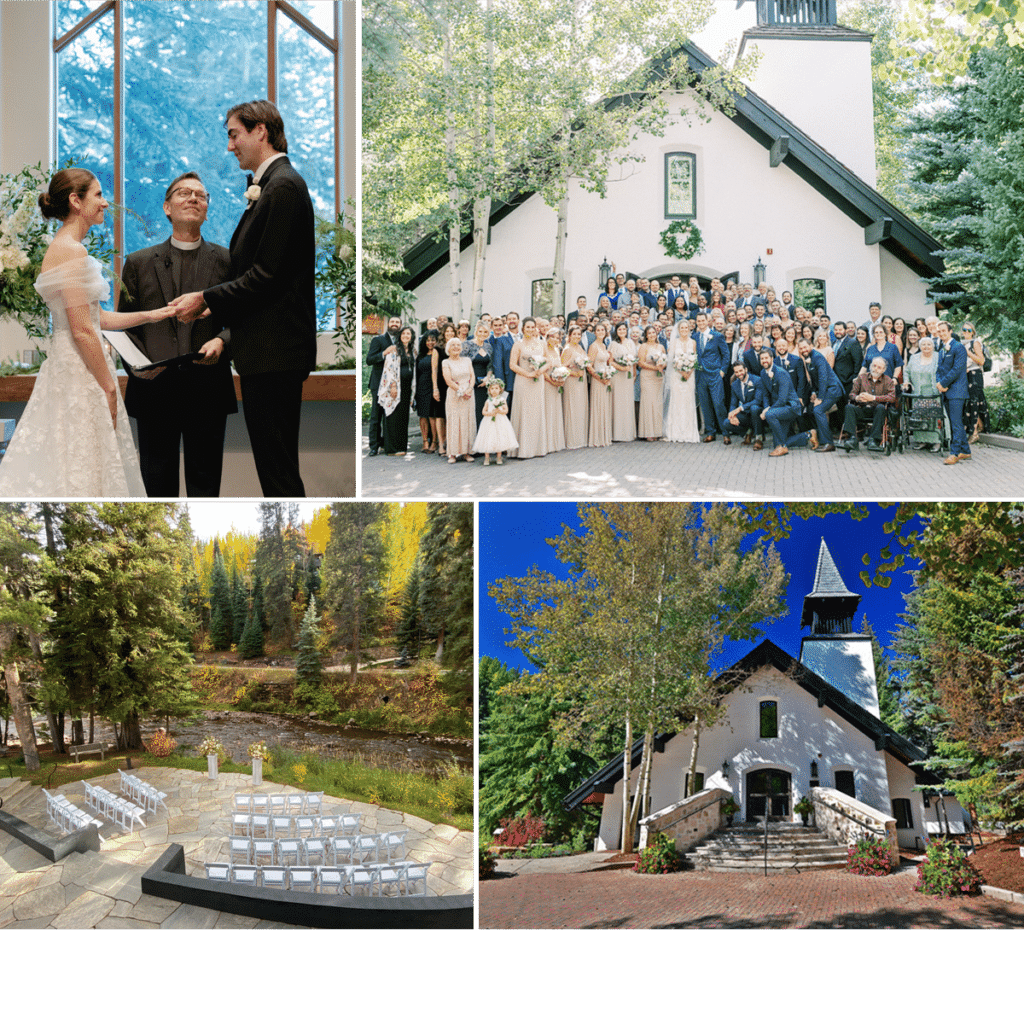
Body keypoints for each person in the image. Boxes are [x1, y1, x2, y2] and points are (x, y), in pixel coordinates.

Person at [0, 168, 175, 498]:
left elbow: (97, 319)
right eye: (98, 195)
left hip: (77, 363)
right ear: (75, 201)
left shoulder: (67, 246)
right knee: (82, 458)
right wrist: (109, 386)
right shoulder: (70, 249)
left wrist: (152, 314)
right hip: (81, 369)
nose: (105, 203)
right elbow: (82, 330)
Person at [171, 100, 316, 498]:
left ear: (261, 131)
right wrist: (212, 305)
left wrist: (205, 297)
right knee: (274, 470)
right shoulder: (271, 186)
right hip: (267, 353)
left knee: (279, 474)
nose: (230, 145)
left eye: (234, 135)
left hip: (275, 353)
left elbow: (266, 276)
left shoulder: (283, 187)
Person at [119, 171, 236, 497]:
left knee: (207, 488)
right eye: (184, 193)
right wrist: (139, 368)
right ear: (167, 207)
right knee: (156, 490)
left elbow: (244, 318)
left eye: (201, 195)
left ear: (207, 210)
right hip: (154, 390)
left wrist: (222, 341)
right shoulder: (138, 262)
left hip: (208, 388)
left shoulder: (227, 261)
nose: (193, 198)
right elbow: (125, 326)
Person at [509, 316, 548, 459]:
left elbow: (548, 361)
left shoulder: (541, 343)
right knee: (524, 411)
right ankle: (522, 449)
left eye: (532, 327)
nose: (530, 330)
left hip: (538, 380)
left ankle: (537, 448)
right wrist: (528, 374)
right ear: (523, 328)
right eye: (528, 327)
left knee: (536, 412)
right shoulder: (518, 345)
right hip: (523, 380)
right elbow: (512, 365)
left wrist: (540, 371)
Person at [841, 357, 897, 453]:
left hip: (878, 411)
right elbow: (852, 394)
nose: (876, 369)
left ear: (883, 370)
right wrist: (857, 397)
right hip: (863, 408)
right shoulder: (862, 378)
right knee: (849, 407)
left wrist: (874, 398)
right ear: (870, 366)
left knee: (881, 407)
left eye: (879, 367)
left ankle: (874, 440)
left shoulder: (888, 380)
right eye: (874, 366)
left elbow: (892, 397)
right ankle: (852, 438)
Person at [935, 320, 971, 464]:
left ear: (950, 331)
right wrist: (939, 383)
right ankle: (965, 451)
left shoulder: (958, 347)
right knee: (954, 422)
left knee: (955, 423)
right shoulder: (942, 349)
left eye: (944, 330)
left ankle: (954, 453)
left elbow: (957, 369)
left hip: (957, 391)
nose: (941, 333)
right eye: (939, 331)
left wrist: (943, 383)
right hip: (946, 390)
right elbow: (939, 369)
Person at [366, 315, 402, 456]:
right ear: (388, 324)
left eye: (397, 322)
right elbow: (369, 359)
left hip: (394, 384)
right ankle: (374, 446)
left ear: (400, 325)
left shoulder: (402, 341)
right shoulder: (378, 339)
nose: (394, 324)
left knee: (390, 415)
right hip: (378, 383)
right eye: (392, 322)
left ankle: (387, 444)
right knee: (376, 416)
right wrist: (384, 353)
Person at [755, 347, 802, 457]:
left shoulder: (781, 373)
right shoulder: (763, 373)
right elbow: (765, 394)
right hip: (779, 408)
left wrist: (767, 411)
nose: (764, 360)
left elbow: (782, 399)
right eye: (762, 359)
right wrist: (766, 407)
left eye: (766, 358)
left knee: (770, 415)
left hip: (791, 406)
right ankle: (808, 435)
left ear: (772, 359)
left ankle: (783, 447)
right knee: (776, 443)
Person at [903, 332, 945, 452]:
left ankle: (936, 441)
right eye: (923, 344)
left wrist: (942, 384)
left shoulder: (938, 356)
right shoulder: (914, 357)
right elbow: (907, 371)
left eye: (929, 344)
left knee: (933, 417)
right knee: (920, 416)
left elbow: (944, 371)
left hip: (933, 392)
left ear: (933, 346)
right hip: (918, 392)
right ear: (920, 346)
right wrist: (906, 381)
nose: (926, 346)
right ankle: (922, 440)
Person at [379, 325, 416, 456]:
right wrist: (393, 386)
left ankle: (401, 447)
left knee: (403, 417)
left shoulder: (412, 351)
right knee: (392, 416)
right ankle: (391, 448)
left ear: (412, 337)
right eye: (404, 333)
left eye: (408, 334)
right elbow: (389, 368)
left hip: (407, 388)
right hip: (395, 387)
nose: (406, 336)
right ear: (400, 336)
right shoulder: (394, 349)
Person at [694, 311, 729, 441]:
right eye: (698, 321)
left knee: (719, 404)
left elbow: (726, 354)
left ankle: (726, 433)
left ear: (708, 321)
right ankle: (710, 432)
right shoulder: (694, 337)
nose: (701, 323)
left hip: (715, 374)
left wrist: (722, 371)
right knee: (705, 405)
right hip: (700, 375)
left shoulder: (717, 336)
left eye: (703, 320)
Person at [663, 320, 700, 443]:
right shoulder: (674, 342)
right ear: (678, 330)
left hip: (690, 376)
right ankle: (675, 432)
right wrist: (681, 371)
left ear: (689, 329)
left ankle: (689, 433)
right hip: (676, 375)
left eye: (686, 328)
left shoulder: (693, 342)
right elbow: (671, 360)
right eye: (682, 328)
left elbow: (695, 359)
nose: (684, 330)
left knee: (688, 401)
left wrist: (689, 372)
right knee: (677, 401)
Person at [441, 336, 476, 463]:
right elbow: (448, 380)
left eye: (458, 345)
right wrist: (461, 391)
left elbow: (472, 376)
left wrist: (469, 389)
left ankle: (467, 452)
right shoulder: (446, 362)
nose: (456, 347)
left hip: (469, 395)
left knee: (468, 421)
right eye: (453, 345)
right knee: (455, 422)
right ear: (448, 349)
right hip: (455, 395)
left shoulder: (467, 360)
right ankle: (453, 453)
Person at [473, 378, 516, 465]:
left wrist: (499, 411)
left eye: (496, 388)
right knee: (488, 438)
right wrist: (489, 413)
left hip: (500, 421)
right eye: (492, 388)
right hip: (489, 421)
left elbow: (506, 410)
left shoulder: (502, 400)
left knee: (499, 437)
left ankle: (499, 457)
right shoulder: (488, 400)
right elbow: (483, 411)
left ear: (500, 389)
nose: (494, 390)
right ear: (489, 390)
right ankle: (487, 457)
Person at [561, 323, 589, 449]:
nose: (577, 336)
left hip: (581, 381)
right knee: (572, 407)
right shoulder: (567, 349)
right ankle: (572, 439)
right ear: (570, 335)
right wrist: (574, 373)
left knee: (580, 408)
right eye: (574, 334)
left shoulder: (580, 348)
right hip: (572, 381)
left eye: (579, 334)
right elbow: (562, 367)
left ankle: (580, 438)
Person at [961, 321, 990, 443]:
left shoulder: (975, 343)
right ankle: (980, 425)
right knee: (970, 403)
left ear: (973, 332)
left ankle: (974, 433)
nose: (966, 332)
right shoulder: (962, 343)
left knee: (974, 403)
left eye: (969, 330)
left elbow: (981, 361)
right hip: (966, 375)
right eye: (964, 330)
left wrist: (968, 352)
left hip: (975, 375)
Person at [723, 360, 764, 448]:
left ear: (746, 369)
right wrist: (732, 415)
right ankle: (747, 434)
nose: (739, 374)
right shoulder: (735, 385)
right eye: (736, 372)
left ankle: (759, 438)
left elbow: (758, 400)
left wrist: (740, 408)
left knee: (754, 408)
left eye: (741, 371)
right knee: (726, 423)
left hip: (758, 413)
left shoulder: (757, 380)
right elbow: (733, 404)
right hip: (746, 414)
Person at [608, 321, 637, 442]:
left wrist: (634, 373)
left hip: (628, 376)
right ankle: (617, 433)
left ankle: (627, 432)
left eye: (624, 329)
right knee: (617, 401)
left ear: (627, 330)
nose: (622, 331)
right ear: (616, 331)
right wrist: (621, 367)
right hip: (617, 375)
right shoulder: (613, 344)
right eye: (619, 329)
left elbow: (634, 360)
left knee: (627, 401)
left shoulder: (630, 342)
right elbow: (610, 361)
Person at [587, 323, 615, 447]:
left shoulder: (603, 345)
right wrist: (599, 377)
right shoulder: (593, 346)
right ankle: (597, 438)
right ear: (594, 332)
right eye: (598, 330)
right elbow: (589, 365)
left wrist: (608, 374)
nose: (600, 332)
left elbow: (607, 363)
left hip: (606, 379)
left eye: (602, 330)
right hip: (598, 380)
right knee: (599, 406)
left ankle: (604, 436)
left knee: (605, 406)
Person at [637, 325, 665, 441]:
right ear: (646, 335)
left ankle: (657, 431)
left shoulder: (661, 346)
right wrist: (655, 368)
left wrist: (662, 365)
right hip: (647, 377)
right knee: (648, 402)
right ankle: (648, 432)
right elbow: (641, 363)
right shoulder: (644, 346)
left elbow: (665, 360)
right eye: (649, 333)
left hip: (658, 378)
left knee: (657, 403)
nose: (652, 335)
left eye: (653, 332)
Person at [415, 330, 438, 452]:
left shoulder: (438, 353)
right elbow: (416, 374)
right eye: (428, 340)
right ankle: (425, 441)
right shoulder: (420, 356)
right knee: (423, 415)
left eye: (433, 340)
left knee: (432, 415)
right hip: (421, 387)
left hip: (433, 386)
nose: (430, 342)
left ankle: (434, 441)